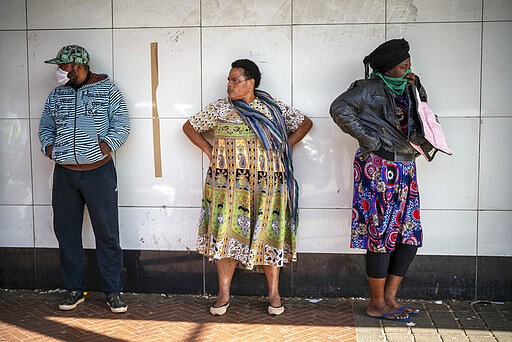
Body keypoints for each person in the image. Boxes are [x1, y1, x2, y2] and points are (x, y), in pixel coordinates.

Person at [330, 38, 449, 322]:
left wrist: (416, 85)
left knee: (409, 234)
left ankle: (390, 299)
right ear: (386, 68)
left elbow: (421, 115)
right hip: (378, 166)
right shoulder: (367, 88)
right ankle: (376, 303)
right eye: (401, 65)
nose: (407, 67)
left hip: (406, 165)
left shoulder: (410, 85)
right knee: (381, 235)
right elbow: (339, 108)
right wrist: (371, 140)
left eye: (408, 63)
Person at [183, 59, 312, 316]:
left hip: (267, 185)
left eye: (235, 80)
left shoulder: (271, 108)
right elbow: (189, 127)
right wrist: (210, 151)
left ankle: (274, 294)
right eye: (228, 80)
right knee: (225, 234)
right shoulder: (220, 108)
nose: (229, 85)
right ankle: (223, 294)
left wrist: (283, 147)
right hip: (228, 185)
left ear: (250, 82)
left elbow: (305, 123)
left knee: (268, 234)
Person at [39, 45, 130, 313]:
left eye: (62, 67)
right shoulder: (56, 95)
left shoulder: (108, 90)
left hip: (99, 173)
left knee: (107, 233)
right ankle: (74, 290)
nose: (59, 72)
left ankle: (113, 291)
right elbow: (45, 125)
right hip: (65, 174)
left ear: (77, 67)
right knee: (66, 232)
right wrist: (49, 148)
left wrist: (105, 146)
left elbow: (122, 124)